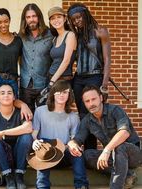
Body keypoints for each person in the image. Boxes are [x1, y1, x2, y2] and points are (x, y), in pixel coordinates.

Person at [67, 85, 142, 189]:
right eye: (87, 101)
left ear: (101, 98)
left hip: (133, 155)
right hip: (113, 158)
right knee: (87, 154)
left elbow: (125, 132)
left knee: (120, 147)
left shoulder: (115, 110)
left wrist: (106, 150)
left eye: (93, 99)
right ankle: (128, 175)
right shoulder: (87, 120)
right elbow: (78, 139)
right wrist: (72, 144)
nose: (91, 104)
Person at [67, 3, 111, 149]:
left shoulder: (100, 31)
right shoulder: (75, 35)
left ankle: (92, 150)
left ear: (85, 14)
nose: (77, 21)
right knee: (83, 116)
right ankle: (87, 152)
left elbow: (107, 60)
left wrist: (104, 85)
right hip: (78, 79)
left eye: (79, 17)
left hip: (95, 77)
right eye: (73, 19)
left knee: (94, 113)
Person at [30, 80, 89, 189]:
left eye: (65, 92)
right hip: (45, 153)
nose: (61, 95)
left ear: (69, 95)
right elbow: (34, 134)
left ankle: (81, 185)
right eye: (58, 92)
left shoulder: (73, 116)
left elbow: (75, 140)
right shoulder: (40, 111)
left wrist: (69, 147)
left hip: (63, 154)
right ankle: (42, 186)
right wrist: (35, 142)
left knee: (77, 151)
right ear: (53, 93)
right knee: (44, 142)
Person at [19, 3, 53, 113]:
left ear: (39, 17)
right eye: (28, 17)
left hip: (44, 84)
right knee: (26, 119)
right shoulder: (20, 36)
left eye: (34, 16)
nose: (31, 19)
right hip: (26, 85)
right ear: (25, 19)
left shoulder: (51, 35)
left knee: (44, 117)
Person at [47, 6, 77, 86]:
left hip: (63, 79)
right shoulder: (55, 39)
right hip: (51, 77)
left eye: (59, 17)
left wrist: (53, 80)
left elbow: (66, 60)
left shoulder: (70, 35)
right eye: (53, 18)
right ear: (50, 22)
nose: (56, 20)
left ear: (64, 19)